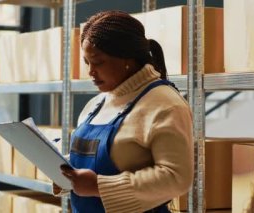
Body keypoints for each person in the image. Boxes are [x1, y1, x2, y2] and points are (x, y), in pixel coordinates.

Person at [52, 10, 194, 213]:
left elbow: (177, 178)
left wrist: (98, 187)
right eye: (87, 62)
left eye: (98, 62)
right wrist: (67, 176)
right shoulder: (96, 104)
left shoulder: (166, 104)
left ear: (127, 57)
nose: (90, 71)